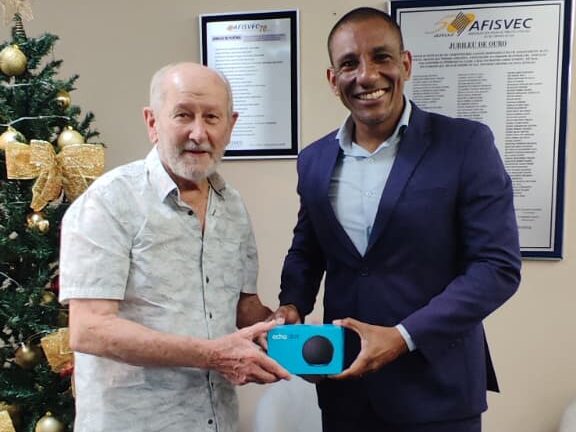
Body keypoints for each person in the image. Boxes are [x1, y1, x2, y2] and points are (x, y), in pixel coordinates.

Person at [273, 7, 521, 432]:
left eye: (381, 57)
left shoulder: (465, 144)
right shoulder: (313, 159)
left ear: (405, 64)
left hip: (437, 392)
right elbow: (308, 250)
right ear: (333, 79)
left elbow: (496, 268)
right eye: (349, 63)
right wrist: (292, 303)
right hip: (346, 392)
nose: (366, 75)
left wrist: (404, 335)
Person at [59, 62, 289, 432]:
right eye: (183, 115)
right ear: (152, 122)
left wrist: (284, 330)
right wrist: (212, 355)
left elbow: (244, 308)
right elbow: (89, 329)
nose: (198, 133)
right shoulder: (108, 202)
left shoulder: (232, 206)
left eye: (211, 117)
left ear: (230, 126)